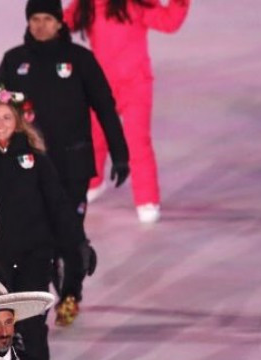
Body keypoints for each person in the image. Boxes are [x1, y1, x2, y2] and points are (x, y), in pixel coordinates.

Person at [0, 0, 127, 326]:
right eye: (35, 19)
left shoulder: (80, 60)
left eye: (47, 19)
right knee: (40, 238)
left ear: (59, 22)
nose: (40, 25)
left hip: (72, 168)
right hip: (30, 171)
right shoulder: (15, 61)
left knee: (70, 233)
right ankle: (47, 296)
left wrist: (120, 153)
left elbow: (106, 108)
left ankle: (71, 293)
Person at [0, 93, 87, 360]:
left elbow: (58, 205)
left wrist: (78, 243)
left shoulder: (36, 160)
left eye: (6, 117)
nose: (0, 123)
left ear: (19, 122)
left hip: (33, 256)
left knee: (32, 327)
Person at [65, 0, 192, 223]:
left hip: (135, 85)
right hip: (100, 86)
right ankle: (92, 181)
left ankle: (147, 199)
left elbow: (168, 21)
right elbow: (65, 24)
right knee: (94, 136)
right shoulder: (87, 5)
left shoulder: (135, 4)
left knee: (137, 141)